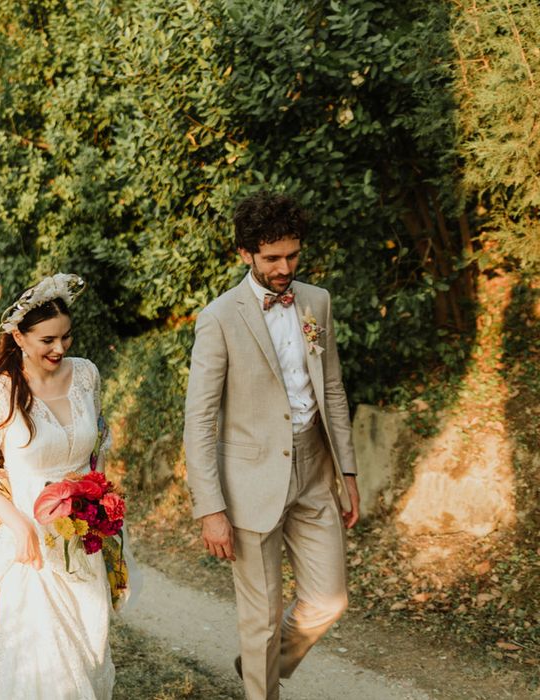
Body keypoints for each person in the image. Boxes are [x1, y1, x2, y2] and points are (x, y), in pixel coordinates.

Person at [183, 192, 360, 700]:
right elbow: (198, 418)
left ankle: (259, 665)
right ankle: (262, 684)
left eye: (293, 256)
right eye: (272, 258)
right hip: (249, 484)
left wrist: (347, 472)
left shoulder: (316, 301)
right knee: (259, 616)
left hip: (315, 469)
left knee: (329, 600)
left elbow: (331, 388)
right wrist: (209, 507)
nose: (286, 268)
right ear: (245, 254)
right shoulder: (218, 318)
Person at [0, 273, 135, 699]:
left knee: (89, 646)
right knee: (46, 663)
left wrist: (101, 506)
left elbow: (97, 451)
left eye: (67, 338)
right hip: (29, 546)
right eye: (47, 340)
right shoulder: (0, 391)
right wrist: (18, 526)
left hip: (84, 536)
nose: (60, 348)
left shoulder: (86, 376)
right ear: (19, 338)